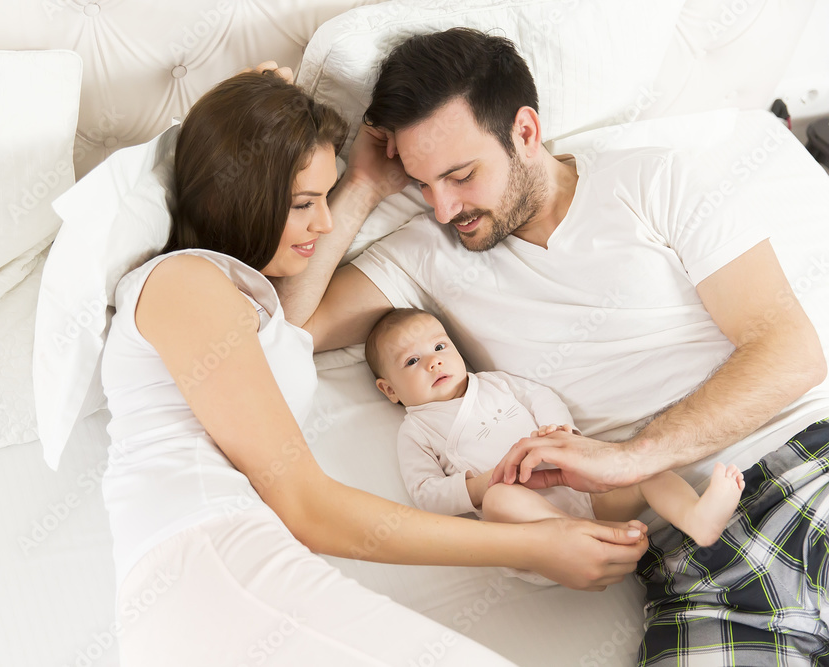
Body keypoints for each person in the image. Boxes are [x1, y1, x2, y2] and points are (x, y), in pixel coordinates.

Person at [273, 27, 829, 665]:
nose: (443, 207)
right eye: (422, 184)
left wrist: (632, 457)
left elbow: (789, 351)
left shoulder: (655, 181)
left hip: (804, 470)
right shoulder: (424, 254)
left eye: (460, 175)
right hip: (693, 564)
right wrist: (366, 186)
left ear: (525, 132)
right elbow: (287, 327)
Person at [98, 64, 646, 667]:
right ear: (241, 192)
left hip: (229, 572)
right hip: (212, 567)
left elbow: (294, 322)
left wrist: (357, 179)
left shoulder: (249, 307)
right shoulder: (185, 283)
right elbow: (309, 506)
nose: (324, 222)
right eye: (305, 203)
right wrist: (530, 544)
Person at [366, 307, 745, 569]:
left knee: (639, 466)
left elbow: (542, 397)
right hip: (532, 530)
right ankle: (591, 536)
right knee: (501, 498)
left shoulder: (495, 383)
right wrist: (481, 486)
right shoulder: (416, 430)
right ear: (389, 390)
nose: (433, 361)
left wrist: (561, 433)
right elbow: (425, 493)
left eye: (439, 347)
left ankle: (696, 517)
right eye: (412, 361)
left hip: (582, 491)